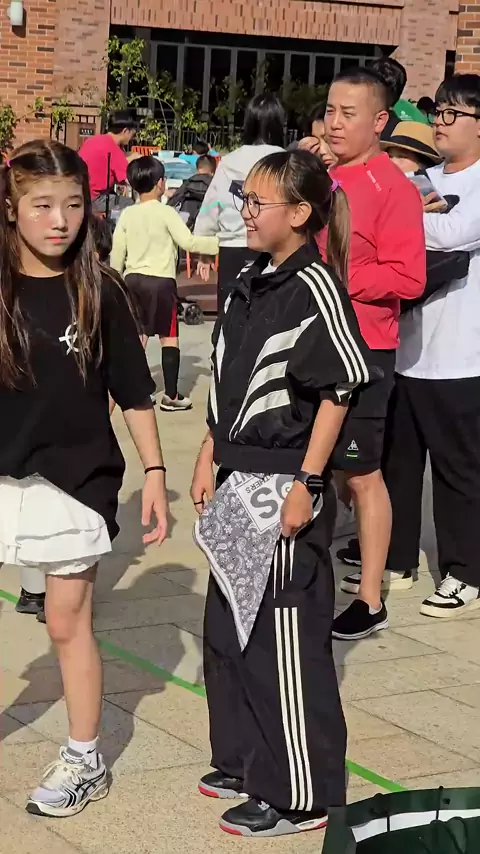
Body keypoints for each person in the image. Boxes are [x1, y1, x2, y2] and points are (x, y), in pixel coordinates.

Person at [191, 149, 375, 837]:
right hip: (237, 472)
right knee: (229, 626)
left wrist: (308, 481)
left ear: (299, 214)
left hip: (285, 476)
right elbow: (227, 377)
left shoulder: (314, 286)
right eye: (244, 197)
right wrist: (209, 452)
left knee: (283, 633)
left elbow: (341, 388)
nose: (244, 211)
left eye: (257, 201)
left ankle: (299, 792)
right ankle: (246, 759)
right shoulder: (249, 278)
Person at [0, 139, 169, 815]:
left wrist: (154, 470)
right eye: (42, 205)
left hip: (76, 479)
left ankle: (84, 758)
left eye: (73, 205)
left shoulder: (101, 290)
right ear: (11, 207)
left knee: (67, 620)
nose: (59, 221)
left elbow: (133, 390)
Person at [317, 67, 426, 641]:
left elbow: (409, 276)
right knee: (315, 466)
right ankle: (307, 576)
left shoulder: (394, 189)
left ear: (380, 120)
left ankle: (370, 597)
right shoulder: (322, 178)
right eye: (329, 110)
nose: (334, 123)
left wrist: (340, 278)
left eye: (348, 114)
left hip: (364, 349)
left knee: (361, 474)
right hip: (314, 342)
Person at [383, 73, 480, 618]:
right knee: (399, 464)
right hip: (407, 347)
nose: (439, 122)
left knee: (457, 471)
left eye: (452, 114)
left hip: (462, 353)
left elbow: (454, 233)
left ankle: (465, 573)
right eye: (438, 111)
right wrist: (412, 218)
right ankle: (397, 559)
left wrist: (407, 221)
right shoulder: (423, 178)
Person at [110, 156, 219, 412]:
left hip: (132, 280)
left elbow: (117, 254)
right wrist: (219, 243)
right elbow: (188, 242)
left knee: (138, 336)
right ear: (160, 183)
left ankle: (132, 389)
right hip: (161, 282)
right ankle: (171, 396)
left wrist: (116, 281)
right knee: (168, 336)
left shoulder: (127, 214)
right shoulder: (166, 212)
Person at [194, 93, 285, 310]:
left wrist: (204, 251)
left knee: (230, 315)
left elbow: (211, 206)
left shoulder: (230, 161)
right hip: (274, 249)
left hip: (232, 249)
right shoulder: (285, 160)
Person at [79, 110, 138, 212]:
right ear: (125, 131)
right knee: (129, 203)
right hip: (94, 199)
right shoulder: (113, 148)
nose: (132, 138)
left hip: (81, 193)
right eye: (132, 134)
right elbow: (129, 180)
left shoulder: (93, 140)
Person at [168, 153, 217, 229]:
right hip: (209, 228)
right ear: (213, 171)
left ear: (197, 168)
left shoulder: (188, 182)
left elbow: (172, 202)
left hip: (186, 227)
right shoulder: (216, 185)